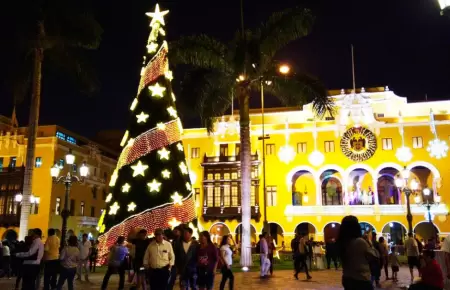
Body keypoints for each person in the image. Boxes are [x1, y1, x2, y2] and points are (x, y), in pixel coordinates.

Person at [338, 216, 378, 290]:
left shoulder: (342, 243)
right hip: (361, 280)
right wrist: (369, 241)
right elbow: (375, 256)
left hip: (347, 279)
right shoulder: (359, 242)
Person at [168, 226, 182, 290]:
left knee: (182, 282)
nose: (174, 232)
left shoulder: (181, 241)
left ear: (180, 232)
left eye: (176, 231)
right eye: (174, 231)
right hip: (174, 263)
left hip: (180, 263)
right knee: (171, 280)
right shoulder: (174, 240)